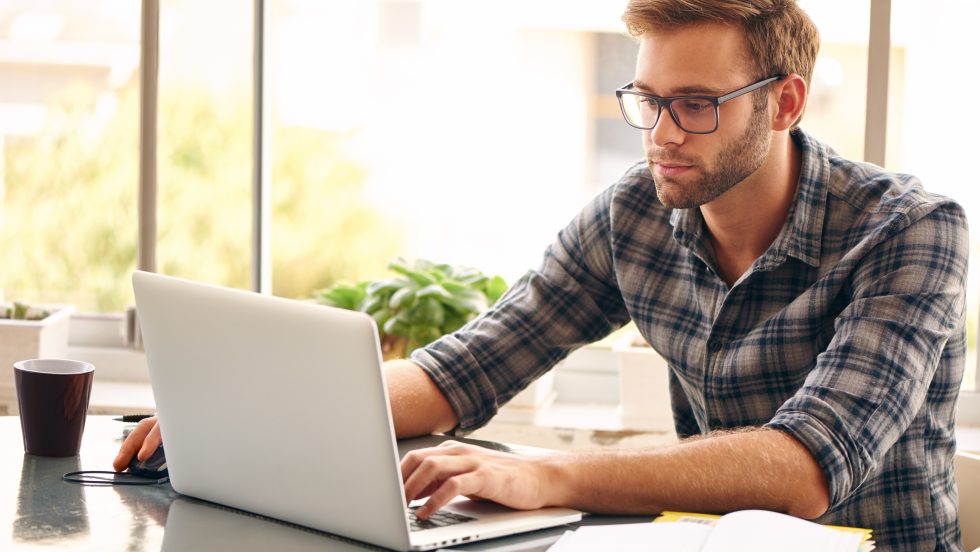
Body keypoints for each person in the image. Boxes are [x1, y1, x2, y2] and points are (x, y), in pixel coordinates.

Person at [115, 0, 968, 549]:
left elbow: (804, 470)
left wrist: (544, 472)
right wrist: (244, 415)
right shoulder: (635, 212)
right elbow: (465, 368)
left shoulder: (911, 232)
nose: (662, 134)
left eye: (697, 105)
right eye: (647, 100)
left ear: (783, 103)